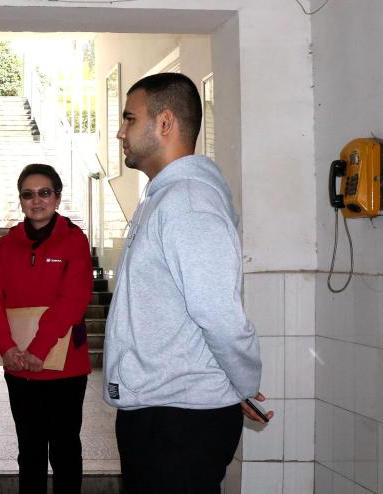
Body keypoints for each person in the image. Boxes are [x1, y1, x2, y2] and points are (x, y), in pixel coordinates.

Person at [102, 72, 272, 493]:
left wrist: (243, 384)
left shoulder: (189, 203)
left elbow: (219, 316)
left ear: (164, 123)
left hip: (179, 421)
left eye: (129, 118)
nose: (120, 131)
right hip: (164, 411)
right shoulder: (165, 198)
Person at [0, 164, 93, 494]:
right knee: (29, 451)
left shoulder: (74, 240)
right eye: (28, 194)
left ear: (57, 197)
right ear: (20, 201)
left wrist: (39, 349)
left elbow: (73, 300)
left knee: (64, 450)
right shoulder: (9, 242)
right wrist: (6, 347)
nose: (37, 200)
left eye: (44, 193)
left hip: (64, 367)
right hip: (18, 364)